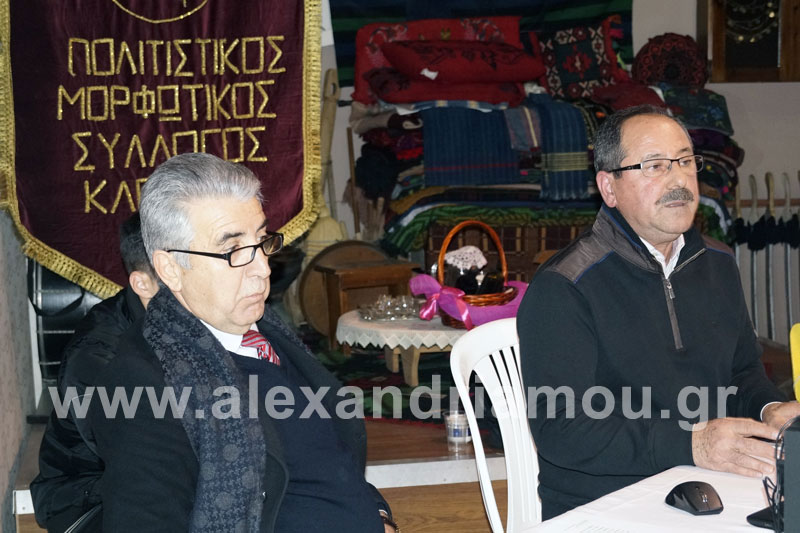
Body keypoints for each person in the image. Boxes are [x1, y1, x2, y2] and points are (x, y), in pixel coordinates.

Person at [87, 153, 397, 532]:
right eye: (233, 250)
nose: (263, 268)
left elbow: (328, 455)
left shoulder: (269, 332)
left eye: (262, 240)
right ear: (170, 269)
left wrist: (379, 515)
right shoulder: (144, 383)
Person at [517, 104, 800, 519]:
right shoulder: (565, 285)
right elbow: (561, 426)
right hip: (603, 505)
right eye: (654, 166)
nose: (679, 179)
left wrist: (768, 409)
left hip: (712, 487)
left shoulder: (718, 263)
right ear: (609, 188)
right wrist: (692, 443)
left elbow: (741, 373)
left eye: (685, 161)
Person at [31, 213, 160, 532]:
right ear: (142, 283)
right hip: (86, 498)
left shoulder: (190, 321)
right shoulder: (97, 357)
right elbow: (144, 461)